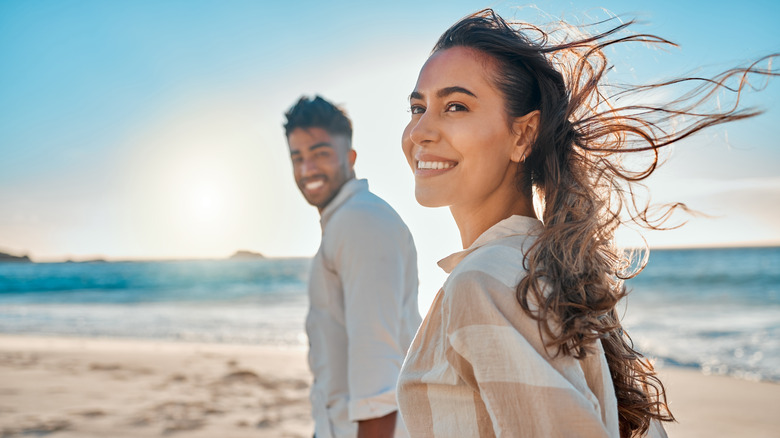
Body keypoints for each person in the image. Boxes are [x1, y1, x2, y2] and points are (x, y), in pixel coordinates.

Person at [396, 8, 777, 438]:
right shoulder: (542, 266)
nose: (419, 131)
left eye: (455, 106)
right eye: (417, 107)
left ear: (523, 135)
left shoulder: (485, 282)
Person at [284, 95, 421, 438]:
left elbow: (377, 373)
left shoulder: (360, 221)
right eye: (297, 157)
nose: (307, 169)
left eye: (320, 154)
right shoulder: (347, 221)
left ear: (350, 157)